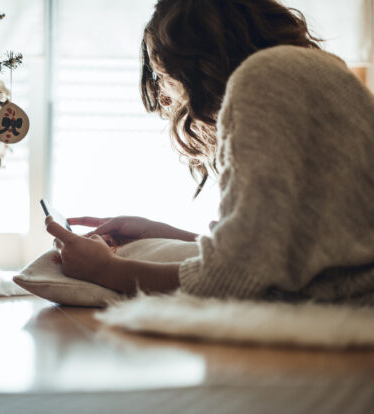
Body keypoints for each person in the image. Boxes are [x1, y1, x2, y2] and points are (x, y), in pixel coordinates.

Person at [46, 0, 374, 304]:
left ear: (189, 60)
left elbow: (232, 279)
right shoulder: (317, 73)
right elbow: (270, 254)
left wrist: (104, 270)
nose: (165, 96)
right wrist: (161, 233)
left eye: (162, 76)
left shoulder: (266, 76)